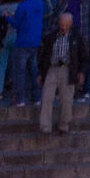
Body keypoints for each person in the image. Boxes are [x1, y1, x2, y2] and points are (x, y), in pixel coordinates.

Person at [37, 8, 82, 136]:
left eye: (65, 25)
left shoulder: (75, 38)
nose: (63, 27)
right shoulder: (50, 37)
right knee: (47, 97)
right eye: (61, 24)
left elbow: (83, 56)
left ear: (70, 25)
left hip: (67, 69)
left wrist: (81, 72)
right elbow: (43, 55)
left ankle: (64, 125)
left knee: (66, 99)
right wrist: (40, 73)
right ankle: (45, 127)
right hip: (52, 68)